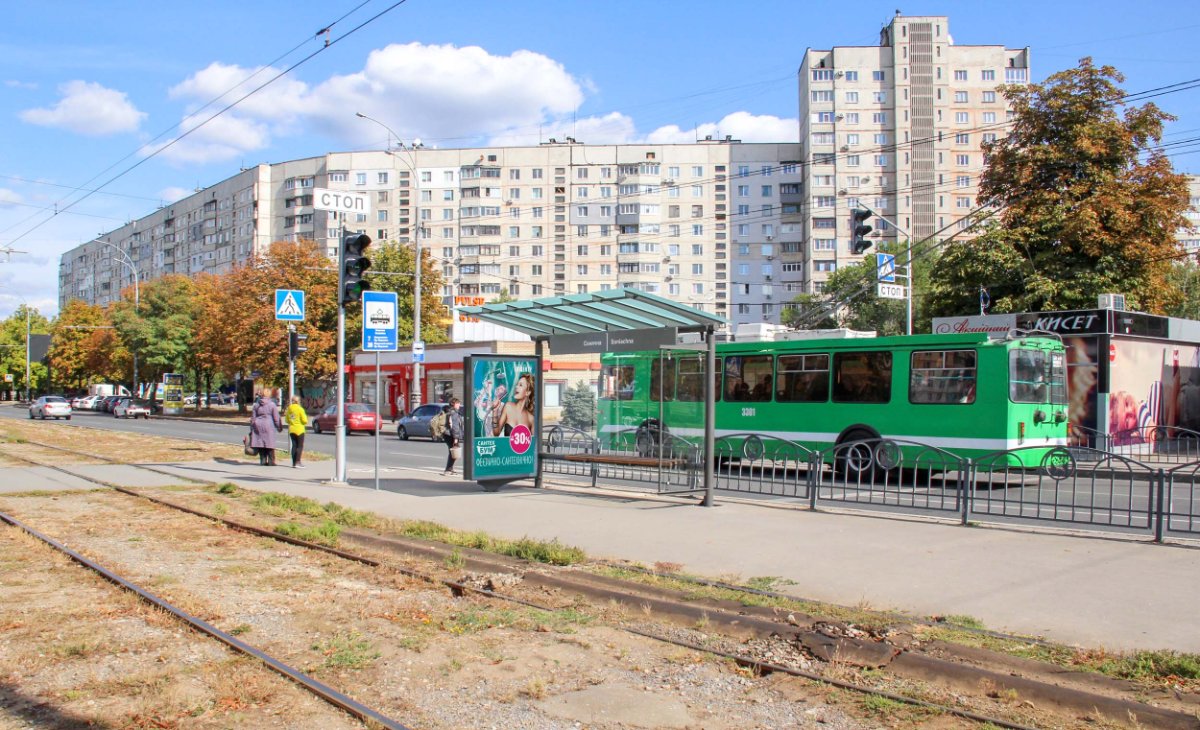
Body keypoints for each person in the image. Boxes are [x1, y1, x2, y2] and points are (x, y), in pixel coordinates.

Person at [493, 372, 535, 436]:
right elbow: (496, 433)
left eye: (520, 385)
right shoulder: (508, 406)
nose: (516, 387)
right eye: (517, 384)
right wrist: (495, 411)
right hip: (506, 446)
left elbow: (533, 444)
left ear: (527, 392)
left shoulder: (531, 418)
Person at [249, 389, 283, 466]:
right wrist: (279, 427)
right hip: (268, 424)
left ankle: (263, 460)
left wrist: (252, 427)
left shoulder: (256, 405)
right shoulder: (272, 405)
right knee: (270, 443)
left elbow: (253, 418)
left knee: (260, 442)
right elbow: (276, 418)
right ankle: (271, 461)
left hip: (258, 424)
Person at [284, 395, 308, 469]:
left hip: (292, 429)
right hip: (300, 429)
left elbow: (286, 420)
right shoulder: (300, 409)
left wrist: (292, 422)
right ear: (298, 401)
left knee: (294, 446)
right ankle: (298, 462)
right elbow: (305, 420)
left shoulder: (289, 409)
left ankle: (294, 462)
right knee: (299, 446)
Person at [443, 398, 464, 475]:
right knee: (454, 452)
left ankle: (449, 468)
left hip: (448, 435)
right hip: (451, 435)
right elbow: (455, 427)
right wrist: (455, 438)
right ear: (454, 404)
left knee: (453, 452)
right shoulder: (454, 413)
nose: (459, 405)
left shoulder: (451, 412)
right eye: (458, 403)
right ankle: (448, 469)